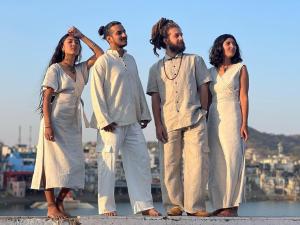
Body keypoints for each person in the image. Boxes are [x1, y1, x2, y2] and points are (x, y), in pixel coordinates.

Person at [31, 26, 103, 219]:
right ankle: (51, 205)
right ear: (62, 47)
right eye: (70, 41)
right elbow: (46, 98)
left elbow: (100, 53)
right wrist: (47, 125)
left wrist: (82, 36)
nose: (74, 44)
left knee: (76, 165)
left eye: (76, 43)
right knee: (51, 163)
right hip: (54, 120)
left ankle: (61, 201)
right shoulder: (55, 69)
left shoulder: (80, 70)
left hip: (72, 122)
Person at [90, 21, 160, 217]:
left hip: (132, 121)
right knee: (108, 165)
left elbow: (137, 86)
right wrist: (104, 120)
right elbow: (96, 92)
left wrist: (144, 113)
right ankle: (106, 208)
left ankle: (144, 206)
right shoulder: (103, 61)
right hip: (111, 123)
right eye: (119, 33)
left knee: (141, 161)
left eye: (124, 31)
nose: (124, 35)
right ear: (109, 38)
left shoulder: (131, 59)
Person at [147, 18, 211, 217]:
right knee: (169, 164)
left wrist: (203, 112)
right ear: (166, 40)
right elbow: (155, 99)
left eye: (182, 34)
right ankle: (173, 205)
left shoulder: (195, 60)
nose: (182, 38)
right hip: (168, 121)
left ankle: (195, 207)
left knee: (197, 163)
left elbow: (204, 87)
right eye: (177, 35)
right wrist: (158, 124)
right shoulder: (155, 68)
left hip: (195, 118)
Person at [207, 34, 249, 217]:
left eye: (234, 43)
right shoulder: (210, 72)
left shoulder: (240, 68)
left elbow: (244, 97)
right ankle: (218, 205)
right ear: (220, 47)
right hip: (214, 118)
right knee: (216, 161)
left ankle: (232, 206)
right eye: (228, 43)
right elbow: (207, 100)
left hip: (233, 115)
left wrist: (244, 123)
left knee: (233, 158)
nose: (232, 46)